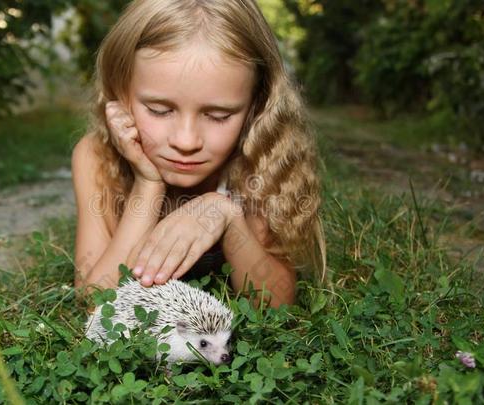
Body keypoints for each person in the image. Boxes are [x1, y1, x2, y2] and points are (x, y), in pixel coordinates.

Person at [72, 0, 325, 308]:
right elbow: (95, 299)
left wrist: (228, 216)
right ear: (120, 92)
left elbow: (276, 304)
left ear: (255, 105)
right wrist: (148, 184)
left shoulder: (257, 159)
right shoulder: (95, 156)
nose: (187, 141)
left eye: (218, 115)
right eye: (160, 110)